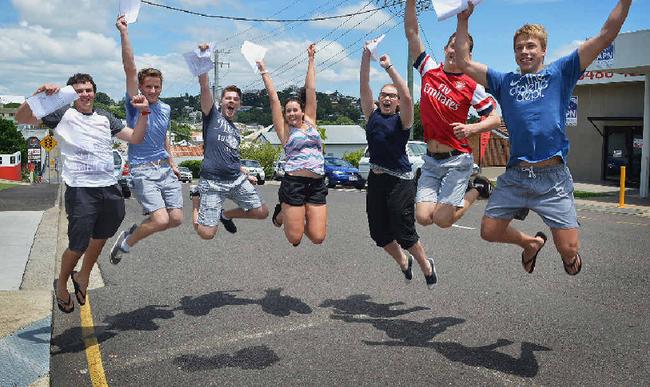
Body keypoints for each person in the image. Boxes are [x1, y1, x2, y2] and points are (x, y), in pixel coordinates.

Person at [454, 0, 632, 275]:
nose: (524, 52)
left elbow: (606, 34)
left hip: (553, 178)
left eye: (530, 46)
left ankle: (569, 256)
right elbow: (464, 62)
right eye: (519, 48)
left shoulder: (560, 73)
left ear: (543, 50)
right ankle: (530, 243)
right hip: (517, 175)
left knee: (569, 250)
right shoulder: (504, 82)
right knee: (489, 231)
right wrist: (463, 19)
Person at [15, 74, 150, 313]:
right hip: (80, 189)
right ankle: (61, 285)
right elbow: (21, 118)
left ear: (94, 92)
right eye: (78, 91)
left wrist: (145, 114)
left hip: (109, 186)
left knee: (104, 233)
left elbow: (136, 137)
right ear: (71, 94)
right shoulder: (62, 113)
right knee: (77, 245)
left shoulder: (104, 116)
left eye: (88, 90)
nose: (84, 94)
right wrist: (37, 95)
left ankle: (83, 276)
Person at [404, 0, 500, 235]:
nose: (454, 52)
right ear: (446, 48)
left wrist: (471, 129)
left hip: (457, 160)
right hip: (430, 160)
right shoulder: (429, 69)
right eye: (451, 46)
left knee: (443, 220)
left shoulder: (471, 84)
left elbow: (494, 118)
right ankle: (470, 188)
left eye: (460, 49)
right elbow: (412, 33)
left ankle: (478, 188)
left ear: (467, 54)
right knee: (424, 218)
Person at [360, 45, 437, 288]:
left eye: (391, 96)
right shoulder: (371, 116)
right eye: (384, 94)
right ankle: (404, 261)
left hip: (400, 181)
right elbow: (363, 85)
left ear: (396, 103)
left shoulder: (402, 120)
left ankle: (426, 264)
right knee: (379, 234)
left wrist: (389, 68)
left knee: (403, 232)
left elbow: (407, 97)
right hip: (376, 179)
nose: (388, 98)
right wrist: (366, 56)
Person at [110, 15, 183, 264]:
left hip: (164, 169)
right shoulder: (135, 105)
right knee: (161, 219)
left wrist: (172, 162)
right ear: (140, 88)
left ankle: (134, 231)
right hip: (142, 170)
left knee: (175, 219)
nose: (152, 91)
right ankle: (127, 243)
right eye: (148, 86)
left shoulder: (166, 109)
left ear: (161, 87)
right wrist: (123, 32)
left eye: (156, 87)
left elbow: (164, 138)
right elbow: (129, 68)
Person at [190, 44, 269, 240]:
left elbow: (231, 157)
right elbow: (204, 85)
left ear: (239, 104)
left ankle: (224, 214)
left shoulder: (236, 132)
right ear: (221, 101)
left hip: (235, 179)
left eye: (235, 99)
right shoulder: (212, 116)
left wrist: (245, 171)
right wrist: (203, 56)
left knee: (262, 212)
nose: (232, 101)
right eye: (228, 98)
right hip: (212, 182)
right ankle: (196, 202)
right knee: (206, 234)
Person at [258, 44, 328, 246]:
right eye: (288, 111)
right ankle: (281, 214)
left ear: (302, 110)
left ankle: (293, 212)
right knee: (294, 239)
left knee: (317, 238)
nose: (291, 114)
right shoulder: (285, 131)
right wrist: (264, 70)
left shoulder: (311, 121)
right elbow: (273, 99)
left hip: (316, 184)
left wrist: (311, 60)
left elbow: (310, 89)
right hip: (294, 184)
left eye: (294, 110)